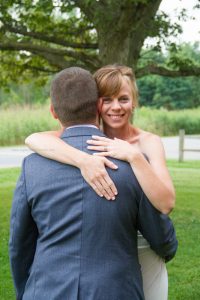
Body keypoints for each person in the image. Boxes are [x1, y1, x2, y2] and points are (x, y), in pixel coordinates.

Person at [9, 67, 177, 300]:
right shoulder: (127, 167)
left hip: (47, 289)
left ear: (53, 111)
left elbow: (20, 245)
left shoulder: (32, 166)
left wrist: (27, 291)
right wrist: (83, 160)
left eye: (123, 99)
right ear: (97, 105)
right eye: (107, 100)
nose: (116, 107)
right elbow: (162, 235)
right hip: (116, 288)